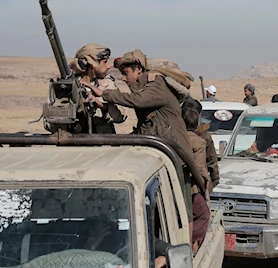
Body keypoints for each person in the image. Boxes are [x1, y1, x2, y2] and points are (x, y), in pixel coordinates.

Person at [82, 49, 196, 226]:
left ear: (139, 69)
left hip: (176, 160)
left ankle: (185, 250)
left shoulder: (156, 85)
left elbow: (137, 100)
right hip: (162, 160)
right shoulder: (145, 88)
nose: (124, 79)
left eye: (126, 73)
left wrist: (104, 94)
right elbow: (145, 129)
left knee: (180, 214)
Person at [70, 43, 126, 133]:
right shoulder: (68, 86)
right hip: (75, 143)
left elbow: (122, 115)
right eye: (105, 62)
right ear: (93, 64)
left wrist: (102, 106)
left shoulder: (107, 84)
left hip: (104, 142)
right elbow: (50, 124)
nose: (108, 66)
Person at [181, 106, 211, 252]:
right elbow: (199, 168)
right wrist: (206, 182)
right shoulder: (199, 142)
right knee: (203, 214)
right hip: (191, 186)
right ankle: (189, 243)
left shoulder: (173, 138)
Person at [182, 97, 220, 186]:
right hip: (197, 184)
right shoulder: (204, 136)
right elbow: (212, 161)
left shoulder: (175, 134)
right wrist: (212, 182)